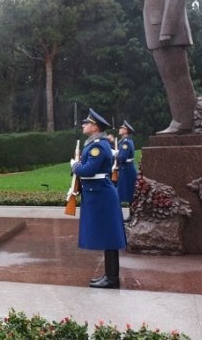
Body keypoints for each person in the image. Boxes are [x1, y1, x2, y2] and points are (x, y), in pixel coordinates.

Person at [143, 0, 196, 135]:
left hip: (168, 34)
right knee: (170, 78)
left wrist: (167, 29)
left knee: (178, 78)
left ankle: (184, 122)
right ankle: (180, 120)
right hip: (160, 34)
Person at [71, 109, 127, 289]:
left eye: (86, 123)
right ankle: (109, 275)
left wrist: (75, 166)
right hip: (98, 194)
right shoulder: (96, 143)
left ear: (95, 127)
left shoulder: (98, 146)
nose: (83, 125)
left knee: (110, 237)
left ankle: (112, 278)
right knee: (107, 236)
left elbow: (88, 170)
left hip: (102, 195)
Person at [115, 120, 138, 222]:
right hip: (126, 169)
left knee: (129, 193)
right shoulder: (126, 141)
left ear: (125, 131)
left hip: (127, 170)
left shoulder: (126, 142)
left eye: (122, 128)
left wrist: (115, 154)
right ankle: (130, 216)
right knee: (127, 193)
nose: (120, 129)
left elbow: (123, 157)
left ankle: (130, 216)